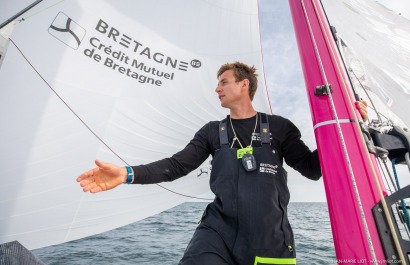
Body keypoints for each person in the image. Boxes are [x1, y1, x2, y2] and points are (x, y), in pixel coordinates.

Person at [77, 62, 368, 265]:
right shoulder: (211, 131)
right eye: (217, 84)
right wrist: (127, 174)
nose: (217, 89)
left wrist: (348, 127)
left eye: (223, 82)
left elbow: (314, 168)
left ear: (244, 84)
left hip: (270, 241)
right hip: (217, 233)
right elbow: (176, 166)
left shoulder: (279, 128)